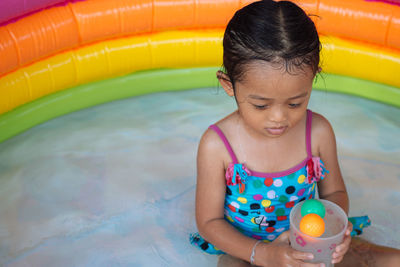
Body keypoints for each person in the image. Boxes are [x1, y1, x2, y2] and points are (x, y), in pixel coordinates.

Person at [190, 0, 400, 266]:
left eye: (295, 103)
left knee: (375, 258)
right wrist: (262, 253)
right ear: (228, 85)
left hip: (308, 243)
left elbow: (335, 194)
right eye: (261, 105)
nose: (279, 117)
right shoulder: (217, 145)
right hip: (244, 247)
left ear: (313, 78)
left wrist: (334, 232)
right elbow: (209, 223)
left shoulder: (318, 132)